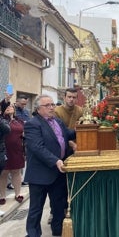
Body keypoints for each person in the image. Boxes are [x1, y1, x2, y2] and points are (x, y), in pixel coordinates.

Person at [24, 95, 76, 236]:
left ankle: (58, 231)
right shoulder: (32, 124)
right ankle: (33, 234)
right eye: (47, 105)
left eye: (52, 104)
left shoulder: (57, 122)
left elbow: (69, 134)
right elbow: (37, 147)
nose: (52, 107)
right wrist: (55, 160)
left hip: (58, 173)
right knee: (36, 209)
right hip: (40, 174)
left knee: (58, 207)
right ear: (38, 108)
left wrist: (85, 126)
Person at [0, 104, 25, 204]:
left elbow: (23, 133)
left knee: (16, 172)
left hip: (17, 149)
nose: (9, 108)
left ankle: (17, 193)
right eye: (7, 107)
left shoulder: (19, 120)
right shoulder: (2, 120)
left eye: (11, 107)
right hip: (4, 149)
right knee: (4, 173)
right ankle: (2, 196)